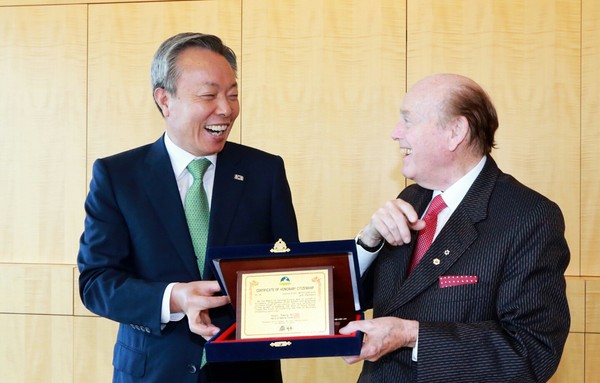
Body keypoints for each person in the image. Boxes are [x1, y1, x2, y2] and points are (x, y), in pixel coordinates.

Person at [77, 32, 299, 383]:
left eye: (232, 94)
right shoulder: (119, 177)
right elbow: (96, 283)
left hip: (247, 372)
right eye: (209, 95)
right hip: (153, 372)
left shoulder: (264, 172)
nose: (226, 109)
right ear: (165, 100)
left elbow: (288, 268)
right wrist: (174, 297)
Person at [339, 73, 570, 382]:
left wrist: (412, 335)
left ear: (455, 132)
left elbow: (531, 350)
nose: (396, 133)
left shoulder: (529, 217)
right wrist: (369, 242)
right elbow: (357, 298)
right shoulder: (411, 198)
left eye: (408, 121)